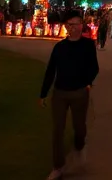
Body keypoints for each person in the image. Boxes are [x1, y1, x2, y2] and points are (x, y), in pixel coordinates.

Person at [39, 9, 99, 178]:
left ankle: (79, 146)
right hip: (60, 93)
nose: (74, 28)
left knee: (79, 128)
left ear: (82, 25)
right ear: (66, 27)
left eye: (77, 24)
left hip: (80, 91)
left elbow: (94, 67)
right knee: (57, 129)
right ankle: (58, 165)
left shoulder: (88, 46)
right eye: (70, 25)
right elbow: (51, 70)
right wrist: (43, 93)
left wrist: (87, 82)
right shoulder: (60, 47)